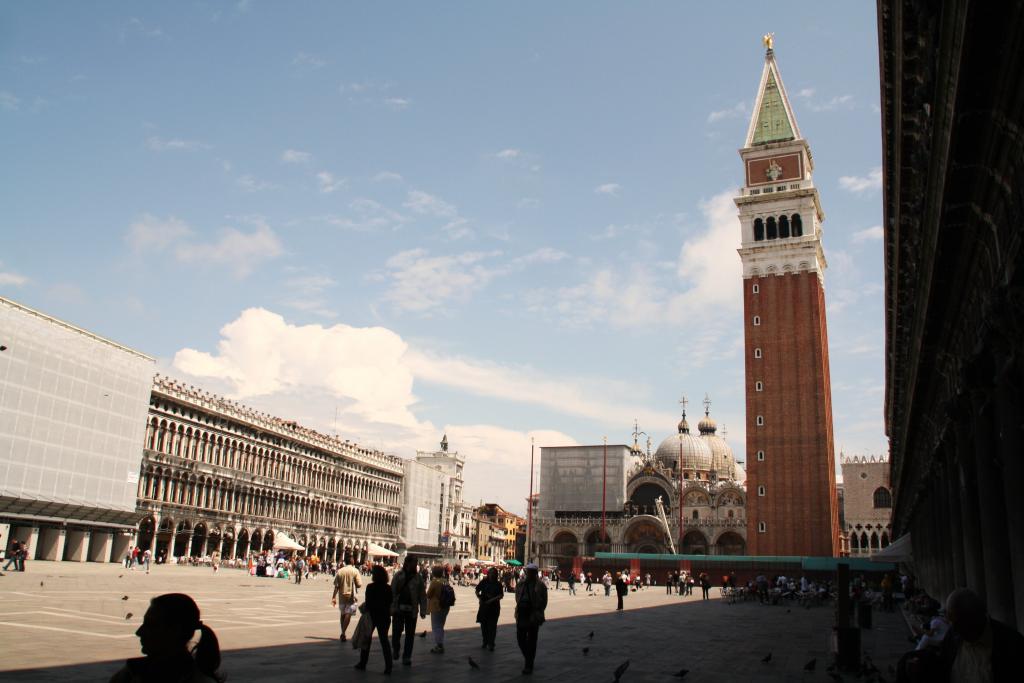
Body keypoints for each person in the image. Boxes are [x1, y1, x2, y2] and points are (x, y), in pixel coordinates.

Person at [109, 593, 222, 683]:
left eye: (151, 625)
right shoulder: (131, 673)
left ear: (175, 631)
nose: (139, 632)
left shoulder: (132, 674)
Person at [354, 565, 393, 674]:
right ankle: (388, 666)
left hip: (372, 616)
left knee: (367, 639)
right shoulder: (388, 588)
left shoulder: (370, 587)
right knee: (384, 640)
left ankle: (363, 662)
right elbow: (390, 602)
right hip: (384, 616)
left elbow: (369, 603)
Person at [390, 556, 427, 666]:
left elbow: (422, 595)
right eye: (414, 562)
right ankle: (396, 648)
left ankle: (407, 657)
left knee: (410, 635)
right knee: (396, 632)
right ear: (407, 563)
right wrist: (391, 607)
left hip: (412, 610)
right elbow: (392, 591)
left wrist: (423, 610)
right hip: (398, 609)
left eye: (416, 563)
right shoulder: (398, 575)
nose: (416, 565)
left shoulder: (418, 578)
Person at [515, 563, 548, 675]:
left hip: (533, 614)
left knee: (532, 640)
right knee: (520, 638)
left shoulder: (541, 586)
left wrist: (538, 610)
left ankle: (528, 664)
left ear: (535, 573)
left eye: (530, 572)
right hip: (522, 613)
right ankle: (529, 659)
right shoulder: (521, 584)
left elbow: (544, 601)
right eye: (527, 572)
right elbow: (517, 597)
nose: (528, 574)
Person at [332, 558, 363, 642]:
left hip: (341, 596)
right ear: (353, 562)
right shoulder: (355, 571)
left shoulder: (340, 571)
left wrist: (333, 597)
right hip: (351, 596)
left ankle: (343, 632)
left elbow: (336, 586)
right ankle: (343, 632)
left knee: (342, 614)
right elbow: (359, 584)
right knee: (348, 614)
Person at [475, 567, 504, 651]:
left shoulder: (498, 584)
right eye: (490, 573)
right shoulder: (484, 581)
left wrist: (492, 600)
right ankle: (485, 641)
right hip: (484, 606)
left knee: (492, 626)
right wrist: (479, 598)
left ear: (496, 575)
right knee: (483, 625)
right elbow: (477, 590)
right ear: (488, 574)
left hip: (494, 607)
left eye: (493, 573)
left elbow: (501, 595)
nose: (492, 575)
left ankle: (491, 643)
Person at [426, 566, 451, 654]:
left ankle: (439, 645)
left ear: (433, 573)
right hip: (445, 606)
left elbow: (428, 594)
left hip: (436, 606)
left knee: (436, 626)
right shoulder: (445, 581)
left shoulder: (435, 582)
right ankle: (440, 643)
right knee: (441, 625)